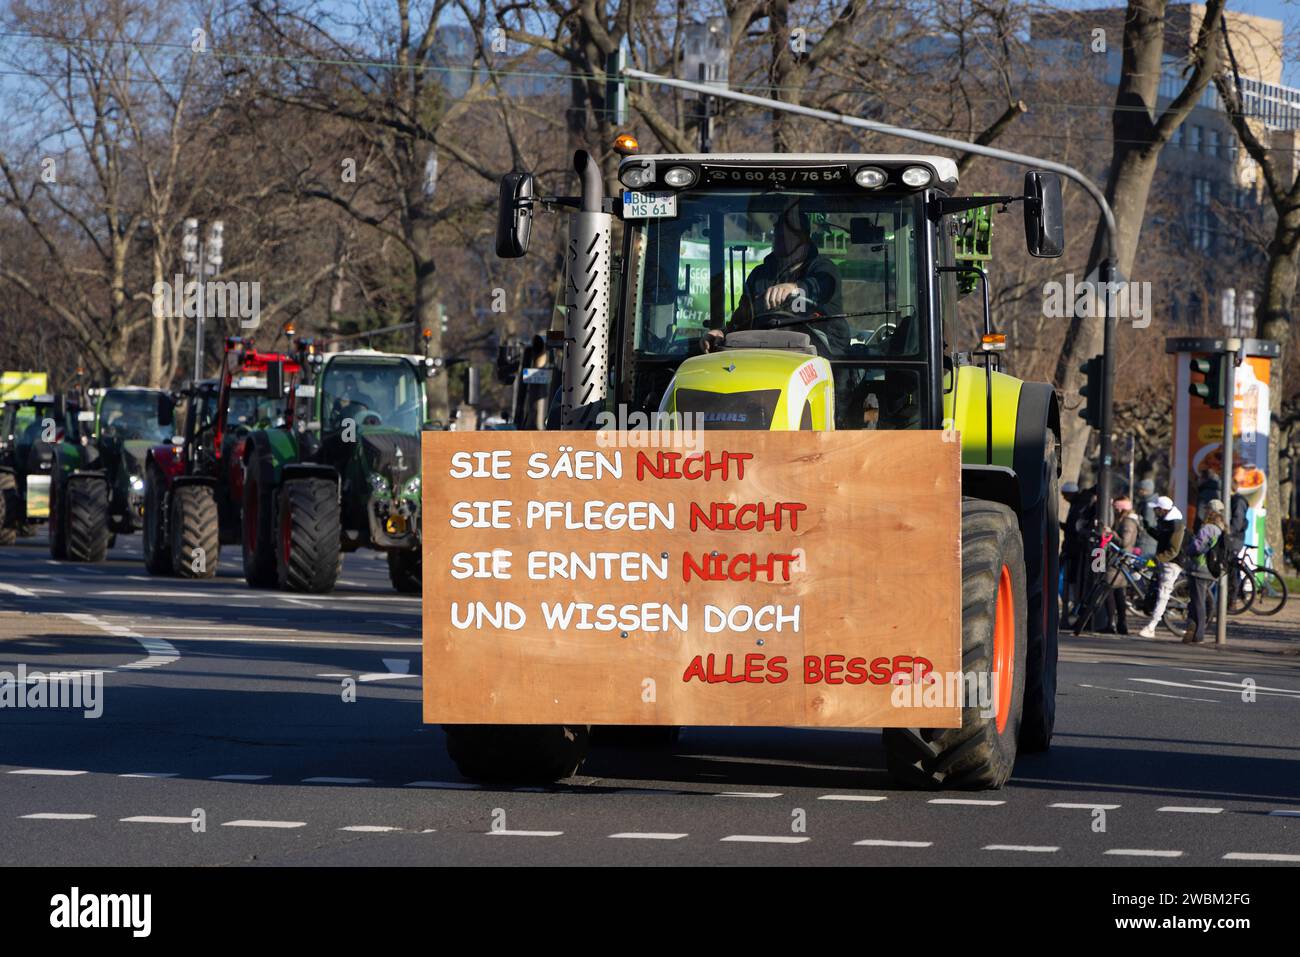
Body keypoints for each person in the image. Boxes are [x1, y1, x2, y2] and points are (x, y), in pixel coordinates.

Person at [721, 205, 847, 356]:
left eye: (788, 235)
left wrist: (794, 288)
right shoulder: (760, 275)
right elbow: (742, 317)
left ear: (804, 239)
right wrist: (723, 333)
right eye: (778, 234)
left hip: (820, 352)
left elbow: (823, 285)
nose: (781, 239)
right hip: (765, 349)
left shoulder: (824, 269)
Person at [1138, 495, 1186, 638]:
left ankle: (1152, 626)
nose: (1154, 512)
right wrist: (1148, 528)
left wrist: (1155, 560)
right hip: (1163, 560)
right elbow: (1162, 537)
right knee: (1138, 566)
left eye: (1156, 509)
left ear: (1162, 510)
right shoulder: (1165, 521)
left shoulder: (1176, 525)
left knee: (1163, 594)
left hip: (1172, 563)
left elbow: (1173, 551)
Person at [1181, 499, 1226, 644]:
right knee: (1198, 601)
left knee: (1197, 602)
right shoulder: (1221, 529)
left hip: (1200, 568)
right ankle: (1192, 631)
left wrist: (1187, 550)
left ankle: (1198, 634)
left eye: (1207, 509)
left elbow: (1197, 547)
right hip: (1211, 570)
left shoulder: (1207, 528)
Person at [1102, 496, 1142, 635]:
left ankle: (1112, 623)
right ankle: (1119, 624)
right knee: (1118, 593)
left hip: (1118, 562)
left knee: (1110, 591)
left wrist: (1110, 533)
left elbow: (1124, 543)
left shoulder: (1127, 522)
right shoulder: (1126, 521)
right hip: (1119, 562)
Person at [1134, 477, 1158, 558]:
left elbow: (1148, 523)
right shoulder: (1150, 502)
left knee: (1144, 566)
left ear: (1146, 490)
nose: (1138, 492)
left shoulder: (1149, 505)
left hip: (1146, 542)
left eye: (1140, 489)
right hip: (1149, 541)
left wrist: (1137, 521)